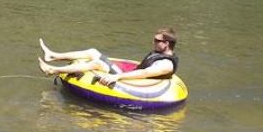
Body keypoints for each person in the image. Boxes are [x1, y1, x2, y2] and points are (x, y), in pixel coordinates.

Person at [37, 28, 178, 87]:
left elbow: (144, 73)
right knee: (93, 51)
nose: (153, 42)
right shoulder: (160, 54)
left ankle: (52, 70)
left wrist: (117, 77)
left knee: (97, 63)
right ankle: (53, 56)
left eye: (156, 40)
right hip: (129, 74)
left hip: (132, 81)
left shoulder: (166, 64)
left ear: (166, 44)